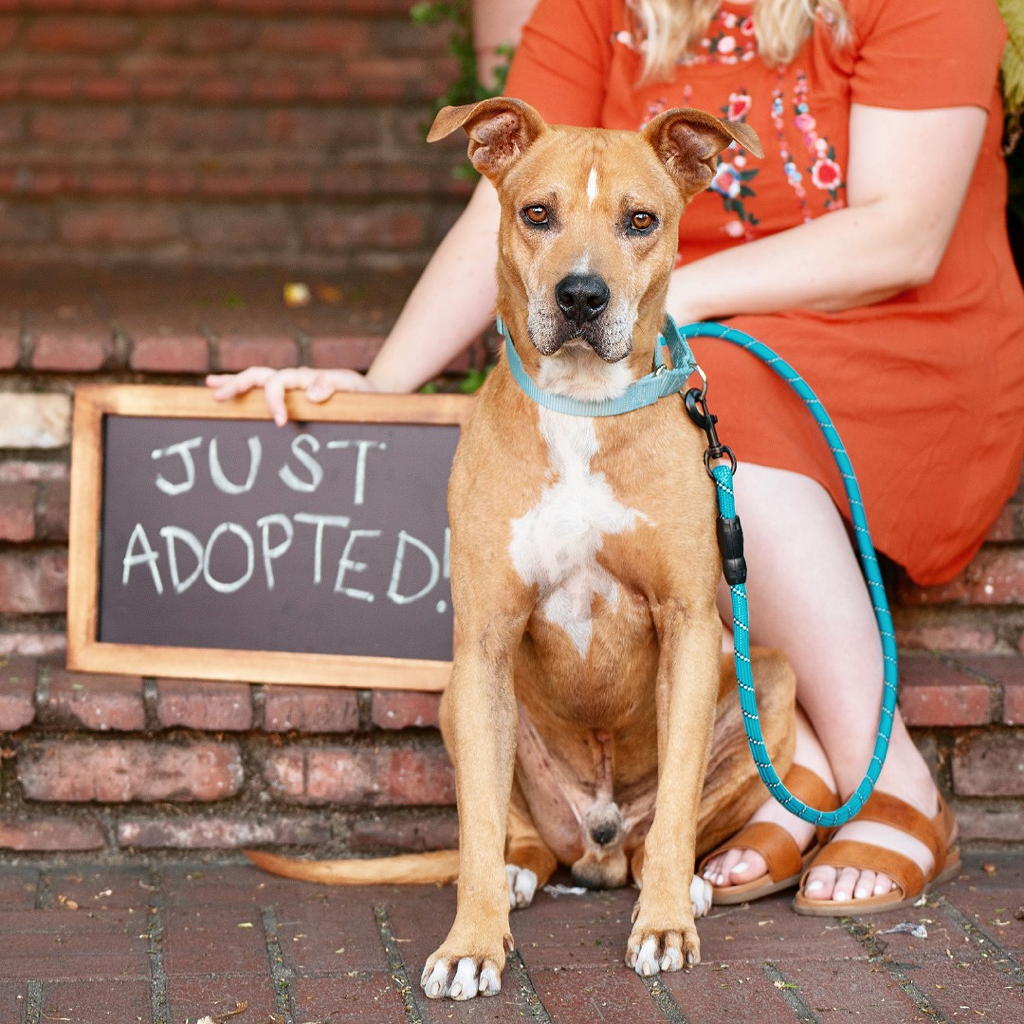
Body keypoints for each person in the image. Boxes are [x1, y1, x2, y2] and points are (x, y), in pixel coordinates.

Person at [207, 0, 1024, 912]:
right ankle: (807, 772)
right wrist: (378, 385)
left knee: (715, 398)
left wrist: (671, 306)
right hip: (668, 328)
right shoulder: (603, 4)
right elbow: (512, 205)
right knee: (696, 392)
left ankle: (897, 782)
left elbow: (903, 234)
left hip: (898, 335)